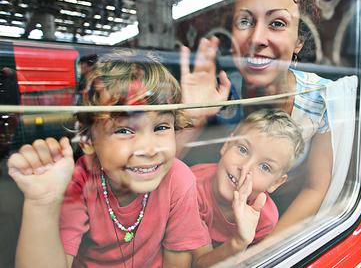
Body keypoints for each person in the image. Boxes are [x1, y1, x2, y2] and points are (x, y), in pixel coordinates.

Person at [7, 50, 210, 267]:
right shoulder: (79, 182)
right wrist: (42, 203)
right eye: (124, 130)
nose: (149, 149)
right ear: (87, 140)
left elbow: (177, 259)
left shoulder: (178, 178)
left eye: (160, 127)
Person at [180, 0, 333, 233]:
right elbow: (162, 174)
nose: (256, 38)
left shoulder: (321, 99)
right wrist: (193, 117)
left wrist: (263, 251)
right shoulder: (219, 91)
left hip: (283, 223)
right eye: (245, 21)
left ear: (298, 42)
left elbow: (315, 188)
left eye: (278, 23)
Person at [192, 109, 305, 267]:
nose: (245, 168)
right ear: (226, 145)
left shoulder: (264, 219)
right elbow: (197, 264)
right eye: (243, 149)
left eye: (265, 167)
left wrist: (243, 242)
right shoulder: (191, 188)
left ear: (276, 183)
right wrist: (238, 242)